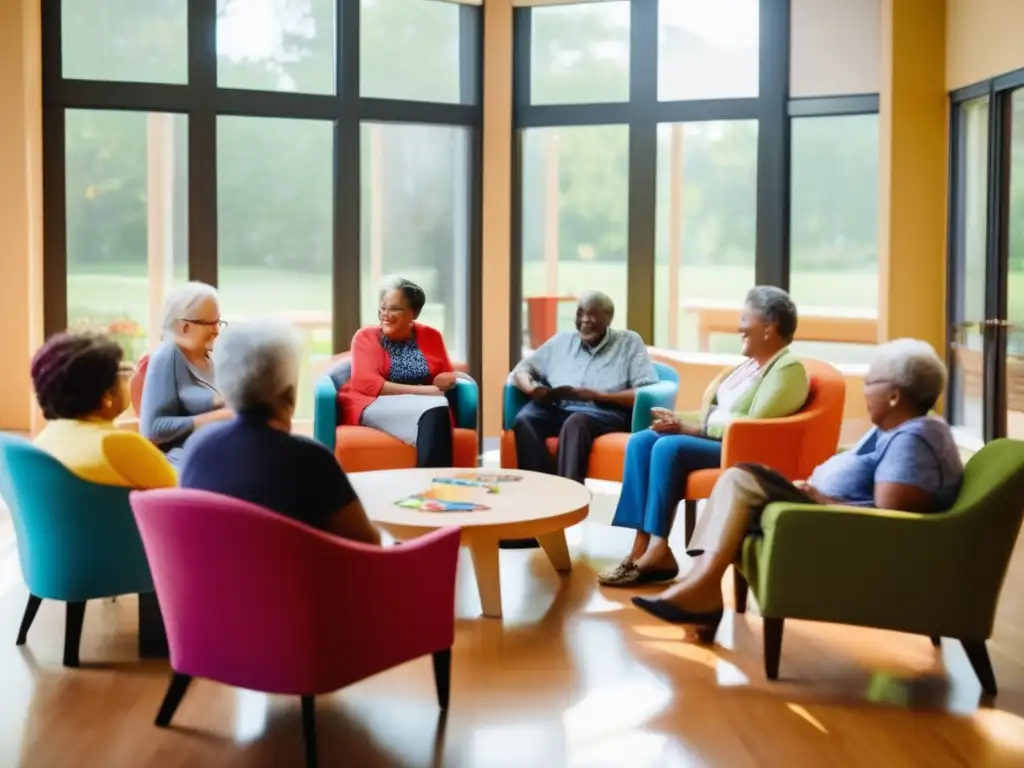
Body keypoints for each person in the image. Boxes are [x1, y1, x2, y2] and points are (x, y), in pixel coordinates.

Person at [632, 338, 963, 637]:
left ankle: (701, 589)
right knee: (738, 478)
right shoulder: (899, 428)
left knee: (739, 478)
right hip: (819, 510)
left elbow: (894, 515)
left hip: (828, 519)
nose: (864, 390)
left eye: (870, 382)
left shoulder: (914, 438)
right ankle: (700, 590)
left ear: (894, 395)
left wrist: (823, 500)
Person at [599, 286, 809, 587]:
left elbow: (754, 425)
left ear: (769, 326)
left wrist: (693, 429)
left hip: (744, 450)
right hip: (718, 439)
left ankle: (659, 547)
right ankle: (641, 547)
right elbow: (715, 413)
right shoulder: (747, 367)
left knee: (669, 447)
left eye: (745, 317)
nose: (739, 326)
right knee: (643, 441)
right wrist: (678, 420)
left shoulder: (787, 368)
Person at [180, 322, 380, 545]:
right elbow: (367, 543)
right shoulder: (310, 460)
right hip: (291, 580)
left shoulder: (197, 448)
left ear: (225, 390)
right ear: (289, 395)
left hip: (209, 579)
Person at [511, 290, 658, 484]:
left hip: (605, 411)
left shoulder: (629, 343)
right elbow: (521, 370)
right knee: (525, 419)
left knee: (576, 423)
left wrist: (598, 396)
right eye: (580, 313)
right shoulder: (561, 341)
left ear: (609, 317)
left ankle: (568, 496)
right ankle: (543, 489)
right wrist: (532, 389)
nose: (585, 320)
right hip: (559, 406)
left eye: (592, 314)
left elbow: (645, 393)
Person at [339, 276, 460, 468]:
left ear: (414, 313)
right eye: (383, 308)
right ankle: (432, 481)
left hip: (419, 406)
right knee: (437, 407)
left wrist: (446, 379)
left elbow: (444, 373)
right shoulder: (365, 337)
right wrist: (427, 391)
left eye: (394, 308)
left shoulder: (431, 336)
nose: (386, 314)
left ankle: (431, 484)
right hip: (375, 403)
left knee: (437, 411)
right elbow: (367, 384)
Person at [31, 331, 177, 489]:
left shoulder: (45, 437)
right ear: (107, 394)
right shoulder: (122, 445)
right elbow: (179, 492)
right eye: (121, 372)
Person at [140, 282, 233, 464]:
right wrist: (216, 418)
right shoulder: (167, 356)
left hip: (222, 452)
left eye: (218, 322)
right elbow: (152, 429)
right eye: (209, 323)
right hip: (187, 460)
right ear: (184, 327)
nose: (216, 330)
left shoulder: (212, 356)